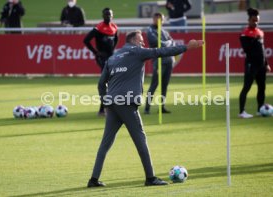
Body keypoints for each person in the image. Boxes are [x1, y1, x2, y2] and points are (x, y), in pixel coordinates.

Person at [86, 30, 204, 187]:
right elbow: (161, 51)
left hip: (113, 104)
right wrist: (186, 47)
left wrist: (105, 103)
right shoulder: (137, 52)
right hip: (127, 104)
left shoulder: (113, 58)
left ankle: (93, 180)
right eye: (141, 40)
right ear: (134, 40)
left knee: (105, 144)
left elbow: (101, 84)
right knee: (141, 140)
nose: (143, 43)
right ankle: (150, 178)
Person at [83, 8, 118, 116]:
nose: (108, 16)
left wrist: (112, 52)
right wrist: (96, 52)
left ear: (112, 16)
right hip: (102, 58)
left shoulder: (114, 28)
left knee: (110, 81)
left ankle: (104, 108)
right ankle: (103, 109)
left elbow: (116, 40)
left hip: (111, 58)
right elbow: (86, 40)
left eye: (110, 15)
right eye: (106, 15)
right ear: (103, 16)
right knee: (106, 81)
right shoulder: (98, 28)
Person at [238, 8, 271, 118]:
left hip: (261, 65)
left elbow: (263, 49)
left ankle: (260, 109)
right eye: (253, 20)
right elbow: (246, 49)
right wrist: (254, 39)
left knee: (262, 88)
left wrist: (266, 63)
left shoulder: (260, 32)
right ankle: (242, 112)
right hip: (251, 64)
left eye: (257, 20)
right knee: (246, 87)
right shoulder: (245, 33)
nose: (255, 22)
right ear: (249, 20)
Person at [144, 13, 175, 114]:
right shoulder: (150, 30)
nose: (160, 21)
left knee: (164, 85)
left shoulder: (164, 31)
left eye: (161, 19)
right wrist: (168, 43)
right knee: (154, 84)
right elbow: (160, 43)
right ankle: (147, 108)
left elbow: (173, 42)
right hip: (159, 61)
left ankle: (162, 106)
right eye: (157, 19)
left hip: (169, 60)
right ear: (153, 19)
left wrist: (169, 43)